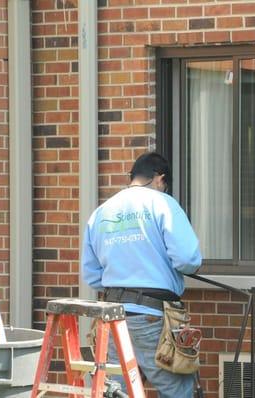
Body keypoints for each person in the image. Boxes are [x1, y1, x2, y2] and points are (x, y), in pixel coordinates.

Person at [81, 152, 202, 397]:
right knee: (177, 390)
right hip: (152, 318)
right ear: (160, 179)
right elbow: (188, 260)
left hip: (113, 317)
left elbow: (92, 275)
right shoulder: (163, 203)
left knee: (118, 390)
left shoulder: (102, 212)